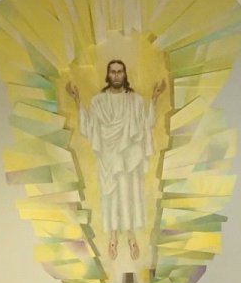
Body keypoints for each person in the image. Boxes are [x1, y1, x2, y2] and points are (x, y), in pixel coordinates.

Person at [66, 59, 166, 262]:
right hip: (108, 159)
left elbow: (147, 123)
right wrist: (77, 100)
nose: (117, 75)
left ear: (125, 74)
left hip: (128, 159)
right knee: (111, 197)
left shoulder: (135, 101)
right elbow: (89, 128)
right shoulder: (98, 102)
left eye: (120, 71)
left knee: (128, 196)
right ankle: (112, 239)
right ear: (108, 75)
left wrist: (155, 98)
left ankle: (131, 237)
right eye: (113, 72)